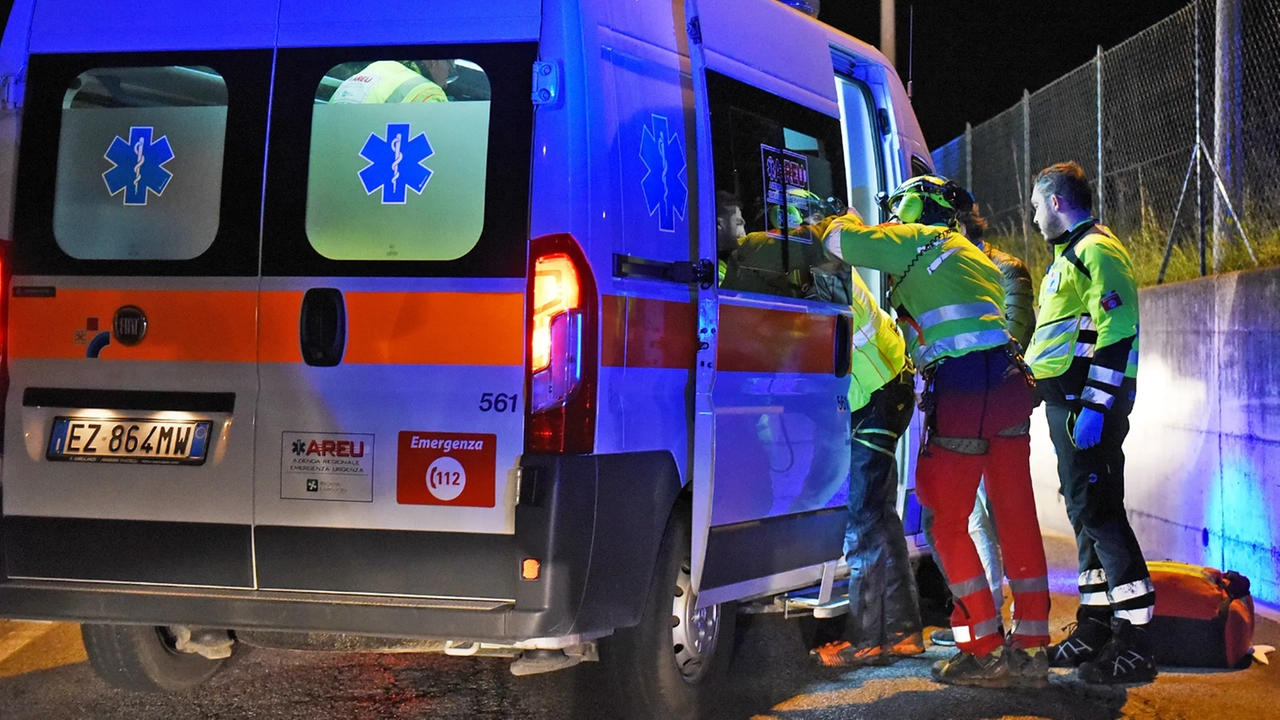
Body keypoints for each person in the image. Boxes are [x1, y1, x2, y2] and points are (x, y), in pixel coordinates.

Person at [823, 175, 1050, 688]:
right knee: (1015, 516)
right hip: (1010, 385)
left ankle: (984, 649)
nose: (895, 213)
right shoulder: (972, 254)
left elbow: (838, 241)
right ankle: (1033, 649)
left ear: (920, 204)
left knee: (943, 520)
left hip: (965, 388)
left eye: (900, 203)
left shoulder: (914, 238)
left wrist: (843, 216)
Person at [1027, 161, 1155, 685]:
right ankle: (1095, 626)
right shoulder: (1070, 257)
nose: (1033, 219)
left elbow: (1118, 325)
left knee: (1101, 514)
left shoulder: (1095, 251)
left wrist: (1096, 407)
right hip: (1069, 406)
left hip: (1086, 407)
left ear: (1056, 202)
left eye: (1036, 207)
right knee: (1084, 514)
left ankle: (1137, 644)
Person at [924, 203, 1036, 648]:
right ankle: (985, 619)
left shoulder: (1004, 268)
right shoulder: (953, 269)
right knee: (970, 516)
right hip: (969, 400)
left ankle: (993, 622)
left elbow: (1012, 337)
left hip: (993, 401)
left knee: (991, 515)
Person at [810, 232, 924, 667]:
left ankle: (867, 638)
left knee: (862, 522)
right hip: (886, 394)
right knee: (881, 518)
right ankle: (902, 632)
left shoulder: (828, 275)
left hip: (875, 398)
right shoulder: (838, 269)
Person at [329, 59, 454, 104]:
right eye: (450, 70)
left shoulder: (376, 66)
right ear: (434, 61)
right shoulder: (429, 92)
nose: (445, 84)